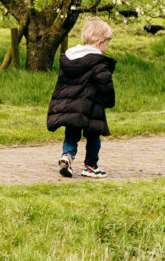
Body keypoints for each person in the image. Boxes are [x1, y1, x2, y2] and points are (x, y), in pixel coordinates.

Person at [47, 17, 117, 179]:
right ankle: (91, 166)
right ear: (100, 43)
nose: (106, 48)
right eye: (107, 44)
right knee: (94, 136)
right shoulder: (98, 62)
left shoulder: (69, 59)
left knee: (71, 133)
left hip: (71, 106)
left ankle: (67, 156)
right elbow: (105, 84)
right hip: (91, 105)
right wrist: (109, 101)